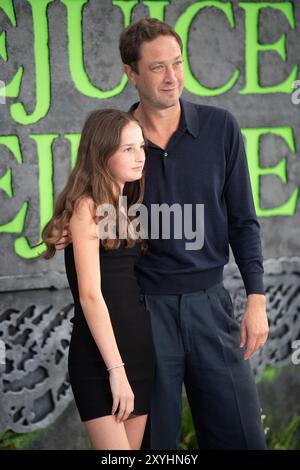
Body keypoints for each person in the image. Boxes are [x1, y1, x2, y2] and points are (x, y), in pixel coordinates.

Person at [55, 18, 269, 450]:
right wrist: (66, 225)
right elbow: (91, 199)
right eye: (157, 68)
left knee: (243, 439)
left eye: (177, 63)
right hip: (144, 313)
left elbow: (243, 220)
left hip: (211, 305)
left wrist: (257, 298)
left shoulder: (220, 128)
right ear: (131, 74)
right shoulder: (120, 145)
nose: (172, 78)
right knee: (156, 448)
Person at [41, 109, 156, 450]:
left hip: (137, 351)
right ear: (102, 154)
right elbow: (91, 296)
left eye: (141, 147)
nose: (140, 157)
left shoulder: (124, 207)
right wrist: (116, 371)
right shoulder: (86, 209)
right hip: (101, 359)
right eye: (128, 149)